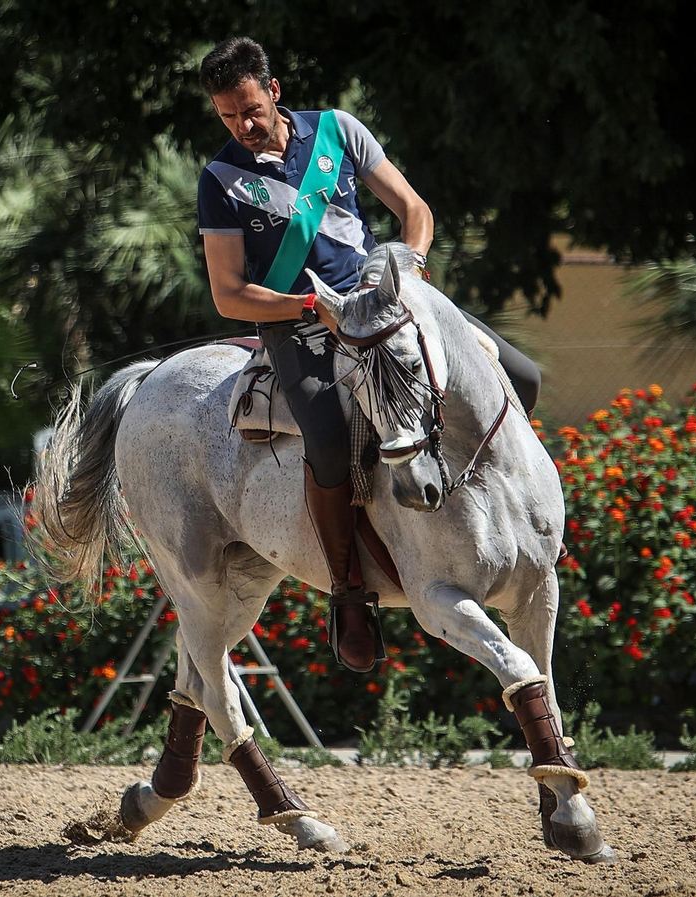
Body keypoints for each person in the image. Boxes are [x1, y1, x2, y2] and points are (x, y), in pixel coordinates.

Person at [196, 37, 540, 673]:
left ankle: (512, 513)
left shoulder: (338, 132)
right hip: (299, 325)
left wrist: (409, 271)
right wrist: (305, 308)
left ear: (273, 92)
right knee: (328, 441)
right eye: (226, 115)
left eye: (249, 109)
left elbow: (413, 211)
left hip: (383, 305)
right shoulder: (221, 181)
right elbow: (228, 294)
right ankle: (349, 592)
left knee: (522, 376)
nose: (242, 126)